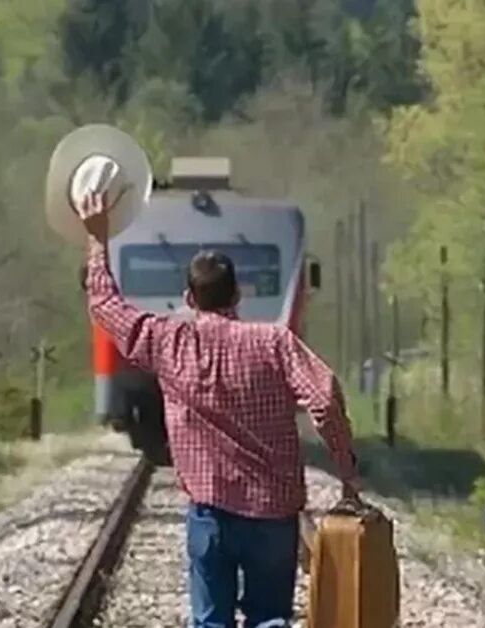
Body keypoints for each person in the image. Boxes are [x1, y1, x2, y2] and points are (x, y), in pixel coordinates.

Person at [75, 190, 362, 628]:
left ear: (190, 298)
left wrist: (97, 238)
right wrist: (345, 470)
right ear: (238, 295)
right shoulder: (275, 343)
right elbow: (323, 399)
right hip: (273, 511)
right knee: (270, 618)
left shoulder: (169, 342)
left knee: (211, 623)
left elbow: (105, 305)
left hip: (211, 513)